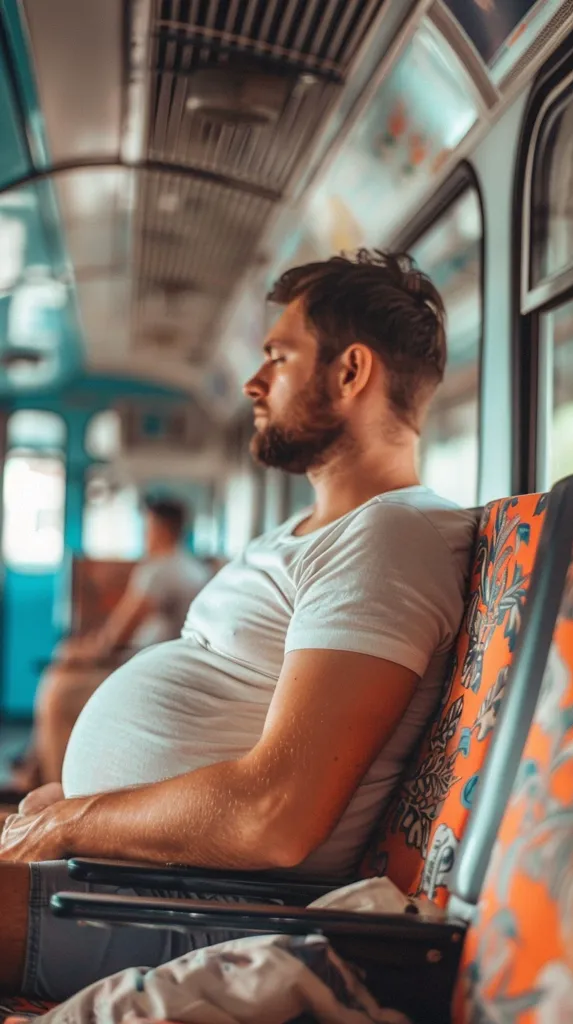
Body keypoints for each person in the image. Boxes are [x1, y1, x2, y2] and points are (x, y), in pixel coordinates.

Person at [0, 250, 477, 1002]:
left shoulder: (389, 541)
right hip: (138, 866)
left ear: (351, 373)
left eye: (278, 357)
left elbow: (276, 816)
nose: (256, 382)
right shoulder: (305, 530)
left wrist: (75, 824)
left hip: (204, 904)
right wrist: (78, 807)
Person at [14, 497, 210, 788]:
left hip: (146, 670)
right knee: (61, 669)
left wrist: (77, 652)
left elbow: (115, 638)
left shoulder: (158, 570)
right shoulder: (194, 568)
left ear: (160, 528)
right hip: (164, 664)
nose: (145, 535)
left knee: (58, 691)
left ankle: (55, 793)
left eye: (147, 527)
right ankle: (33, 771)